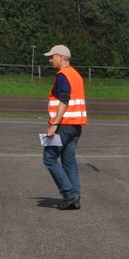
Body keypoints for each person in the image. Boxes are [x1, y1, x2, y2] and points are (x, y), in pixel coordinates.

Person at [42, 45, 87, 210]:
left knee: (49, 158)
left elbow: (64, 100)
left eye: (52, 56)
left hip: (64, 125)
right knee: (69, 160)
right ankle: (74, 198)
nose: (50, 59)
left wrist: (55, 123)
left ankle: (69, 195)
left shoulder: (63, 75)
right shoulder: (76, 74)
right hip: (76, 125)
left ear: (61, 57)